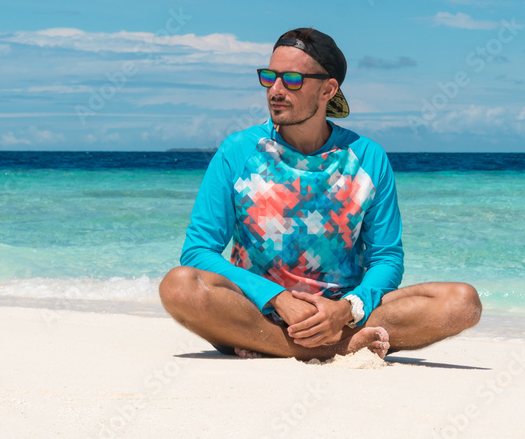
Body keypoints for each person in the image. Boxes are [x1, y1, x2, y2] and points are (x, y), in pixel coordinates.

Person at [159, 27, 482, 360]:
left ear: (329, 89)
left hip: (344, 317)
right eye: (269, 77)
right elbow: (198, 251)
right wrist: (278, 299)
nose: (276, 90)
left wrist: (346, 309)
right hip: (256, 314)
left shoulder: (368, 157)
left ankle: (319, 341)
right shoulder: (238, 151)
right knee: (179, 285)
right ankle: (330, 349)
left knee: (462, 302)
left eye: (293, 80)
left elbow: (386, 257)